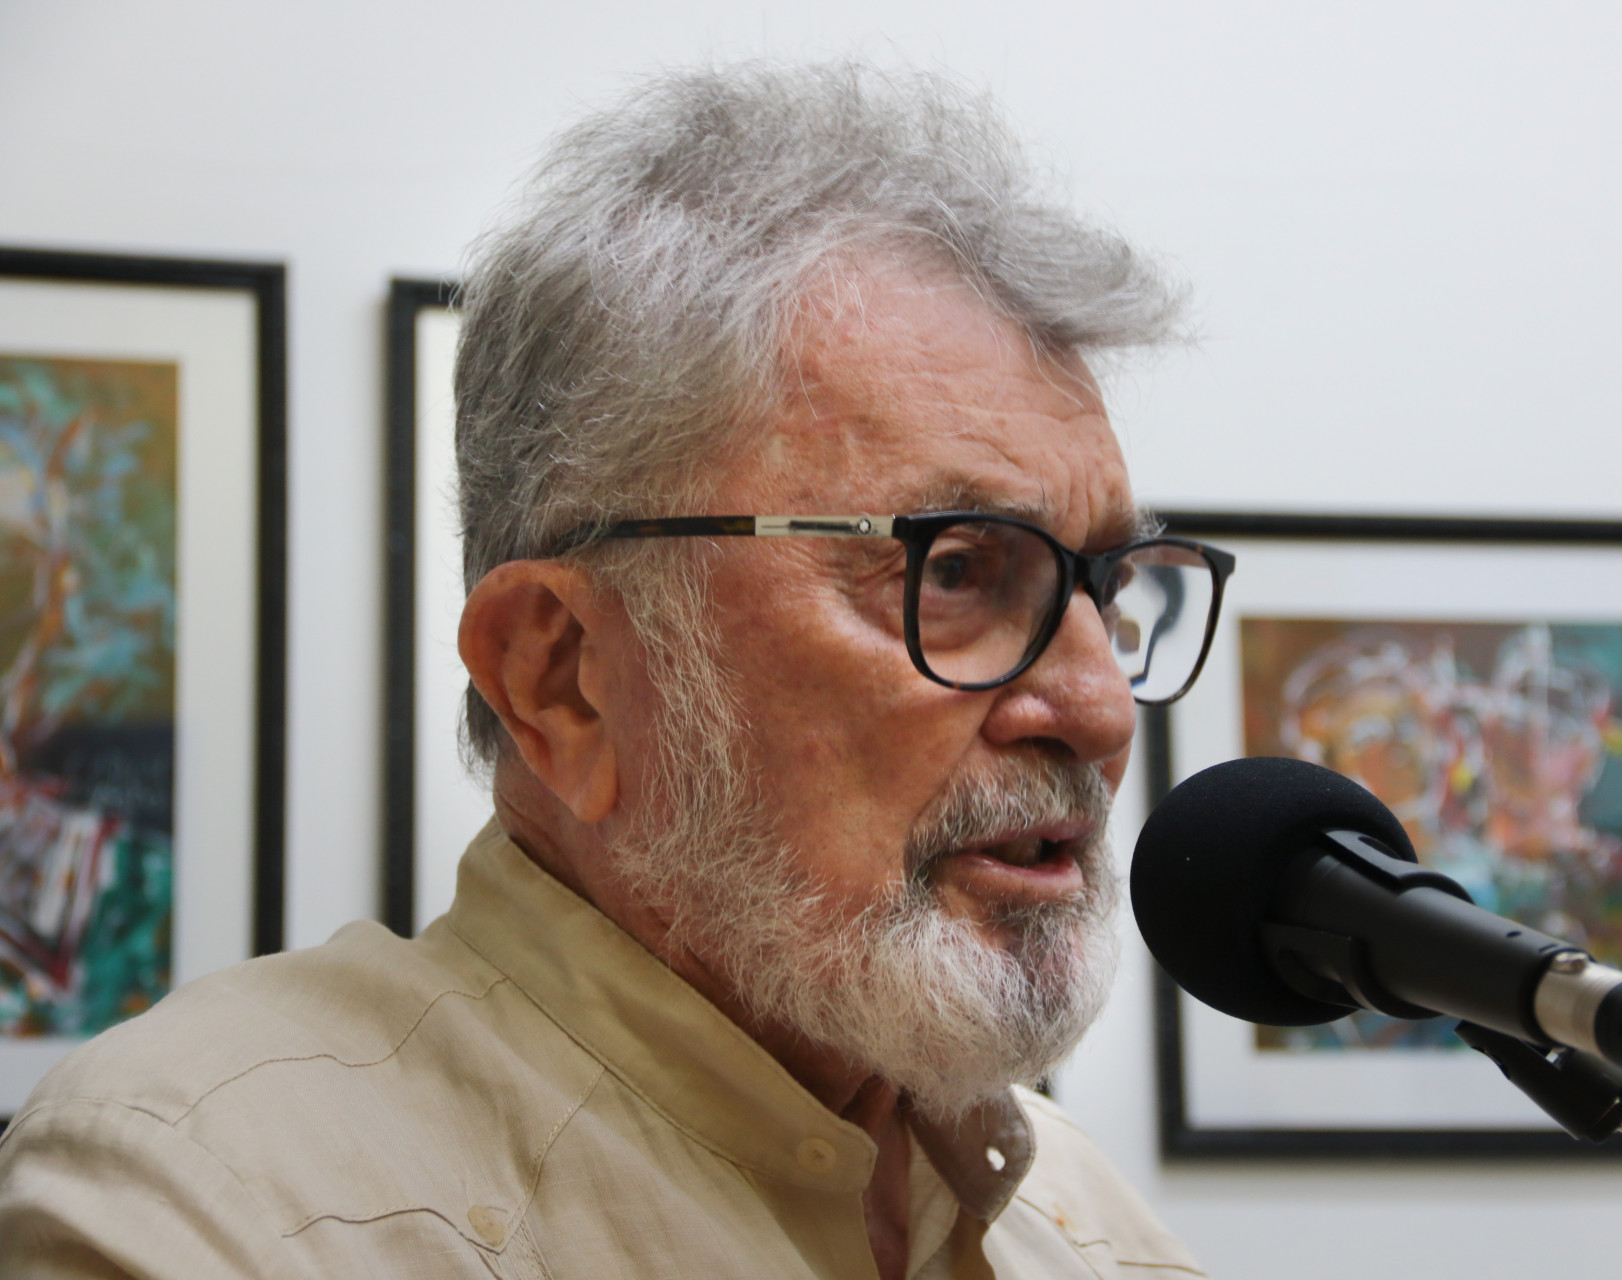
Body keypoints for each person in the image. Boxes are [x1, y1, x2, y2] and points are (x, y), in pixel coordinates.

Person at [0, 61, 1220, 1278]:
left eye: (1103, 586)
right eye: (954, 571)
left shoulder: (1084, 1218)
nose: (1101, 705)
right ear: (562, 677)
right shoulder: (214, 1204)